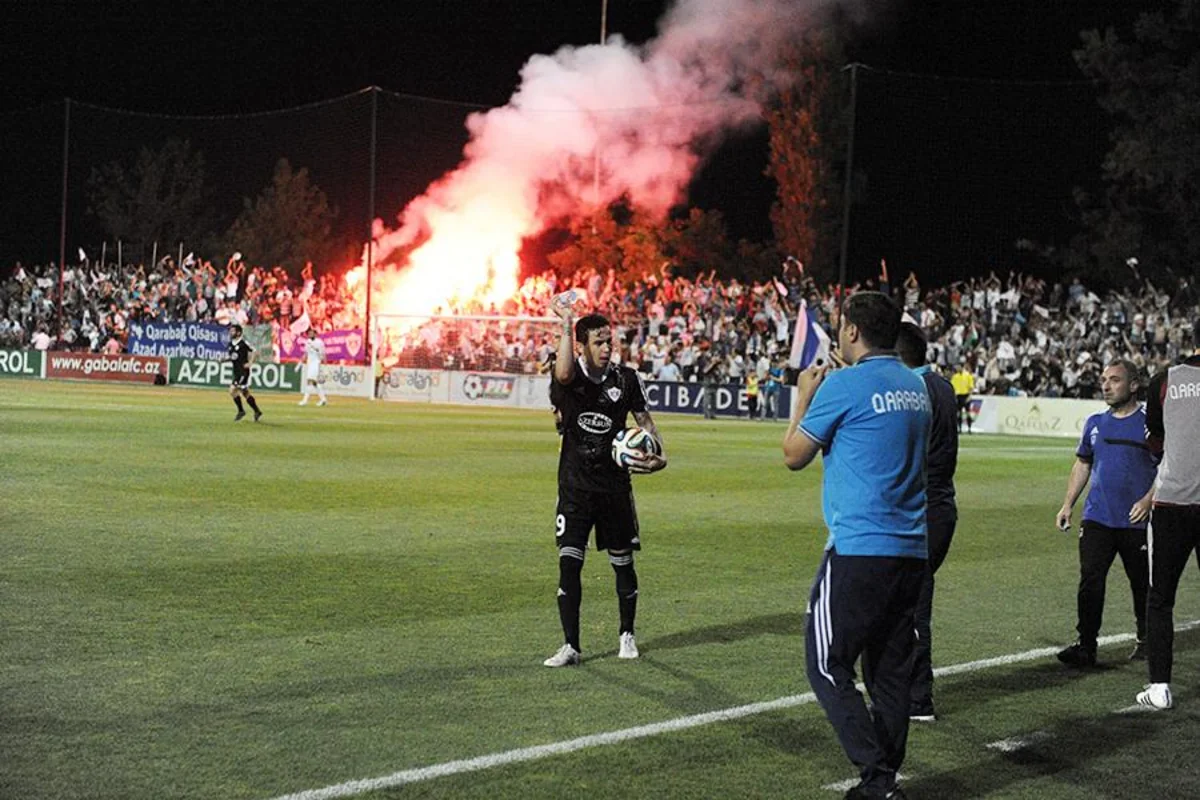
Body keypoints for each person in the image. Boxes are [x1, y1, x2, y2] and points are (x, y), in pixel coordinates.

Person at [782, 291, 930, 800]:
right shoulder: (916, 386)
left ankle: (877, 777)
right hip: (910, 548)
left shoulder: (844, 385)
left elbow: (794, 455)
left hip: (859, 548)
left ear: (851, 331)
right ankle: (884, 780)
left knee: (826, 664)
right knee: (889, 672)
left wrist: (803, 396)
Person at [544, 299, 667, 668]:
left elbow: (645, 423)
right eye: (598, 342)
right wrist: (567, 323)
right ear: (581, 345)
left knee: (622, 563)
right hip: (575, 489)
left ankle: (627, 634)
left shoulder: (626, 379)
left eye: (608, 341)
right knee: (569, 565)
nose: (606, 347)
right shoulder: (568, 380)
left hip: (614, 489)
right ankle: (571, 645)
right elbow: (564, 372)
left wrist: (660, 455)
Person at [1054, 360, 1156, 668]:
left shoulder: (1150, 423)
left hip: (1136, 520)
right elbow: (1083, 463)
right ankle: (1086, 646)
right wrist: (1068, 504)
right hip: (1097, 516)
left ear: (1134, 385)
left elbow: (1167, 465)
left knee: (1142, 584)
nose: (1106, 386)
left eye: (1114, 380)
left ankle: (1147, 640)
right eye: (1103, 380)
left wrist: (1148, 501)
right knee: (1091, 579)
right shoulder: (1095, 422)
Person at [895, 322, 959, 722]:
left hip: (918, 508)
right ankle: (908, 694)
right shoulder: (943, 387)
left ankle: (917, 699)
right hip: (940, 505)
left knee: (911, 607)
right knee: (909, 602)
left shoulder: (912, 391)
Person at [1136, 328, 1200, 710]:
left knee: (1160, 598)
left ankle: (1159, 687)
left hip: (1173, 502)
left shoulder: (1165, 380)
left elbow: (1154, 439)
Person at [227, 324, 262, 422]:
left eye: (233, 331)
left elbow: (255, 351)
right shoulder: (230, 344)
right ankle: (257, 411)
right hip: (236, 371)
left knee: (232, 389)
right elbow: (234, 357)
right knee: (245, 393)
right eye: (230, 331)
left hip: (243, 372)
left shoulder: (243, 343)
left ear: (238, 333)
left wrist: (250, 363)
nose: (231, 333)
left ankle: (241, 411)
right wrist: (224, 360)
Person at [298, 328, 328, 406]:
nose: (310, 335)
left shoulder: (320, 342)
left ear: (315, 334)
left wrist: (325, 366)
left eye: (311, 333)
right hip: (310, 364)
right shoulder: (307, 342)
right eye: (309, 334)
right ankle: (323, 399)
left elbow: (324, 354)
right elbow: (305, 354)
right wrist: (299, 364)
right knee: (315, 383)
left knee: (309, 381)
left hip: (316, 363)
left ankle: (305, 400)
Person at [950, 362, 975, 433]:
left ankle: (969, 428)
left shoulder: (968, 375)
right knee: (959, 413)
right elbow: (952, 387)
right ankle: (959, 428)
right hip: (958, 396)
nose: (957, 368)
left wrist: (969, 396)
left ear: (962, 367)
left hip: (966, 395)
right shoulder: (955, 376)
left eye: (958, 367)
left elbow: (971, 387)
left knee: (968, 413)